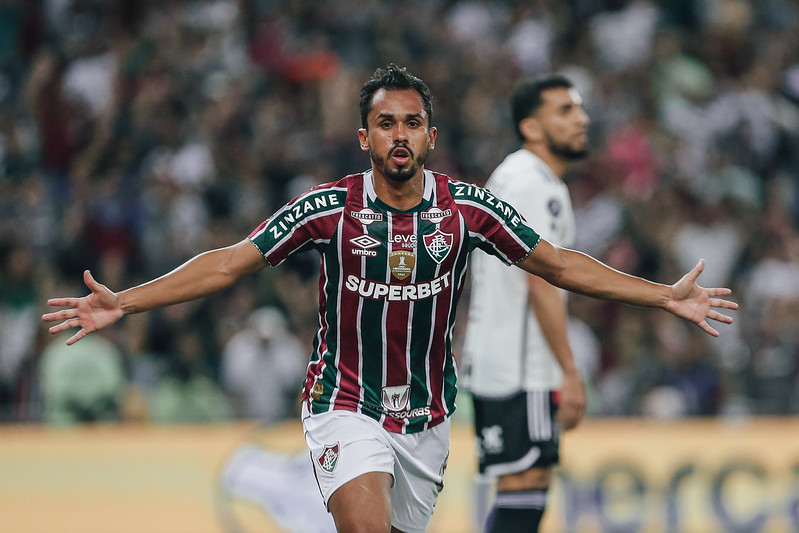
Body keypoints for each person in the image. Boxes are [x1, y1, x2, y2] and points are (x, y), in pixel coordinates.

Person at [42, 64, 737, 533]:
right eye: (385, 123)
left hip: (427, 420)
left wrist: (659, 295)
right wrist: (125, 302)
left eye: (411, 123)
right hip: (344, 404)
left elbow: (555, 263)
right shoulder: (327, 208)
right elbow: (228, 264)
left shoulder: (466, 210)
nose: (398, 136)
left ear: (430, 137)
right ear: (363, 136)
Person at [461, 75, 589, 532]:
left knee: (523, 485)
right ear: (531, 127)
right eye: (565, 111)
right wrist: (568, 372)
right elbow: (542, 282)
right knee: (526, 482)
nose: (582, 119)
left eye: (579, 109)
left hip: (500, 356)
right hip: (521, 363)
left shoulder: (517, 177)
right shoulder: (533, 182)